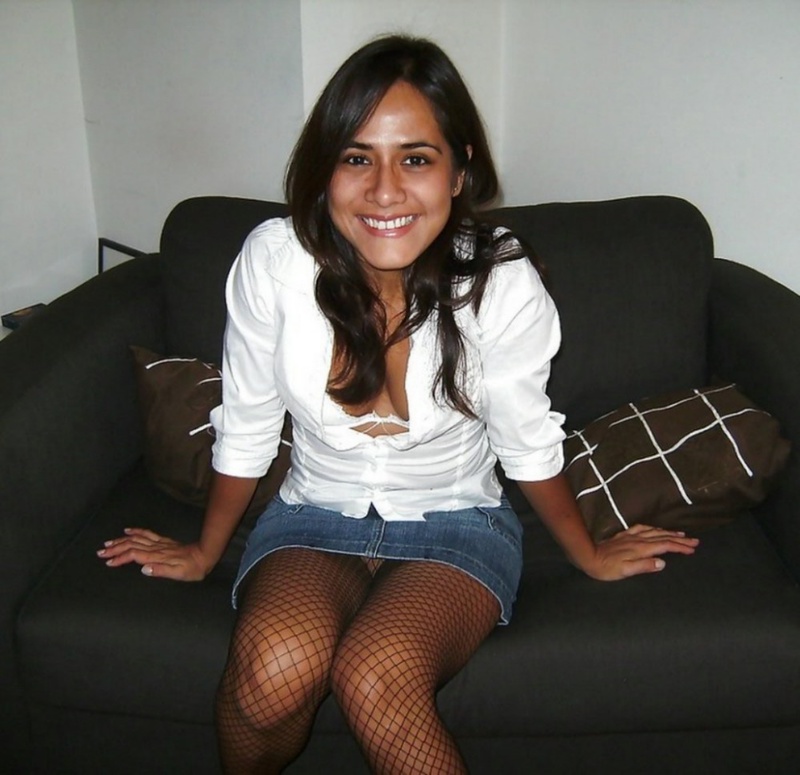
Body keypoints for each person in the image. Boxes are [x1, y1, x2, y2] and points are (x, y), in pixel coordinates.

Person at [99, 34, 699, 774]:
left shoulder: (500, 278)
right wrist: (203, 551)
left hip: (458, 519)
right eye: (357, 158)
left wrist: (590, 553)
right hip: (312, 514)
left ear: (458, 170)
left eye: (415, 159)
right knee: (272, 669)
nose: (384, 191)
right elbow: (247, 420)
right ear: (325, 169)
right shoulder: (276, 261)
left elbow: (526, 439)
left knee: (376, 677)